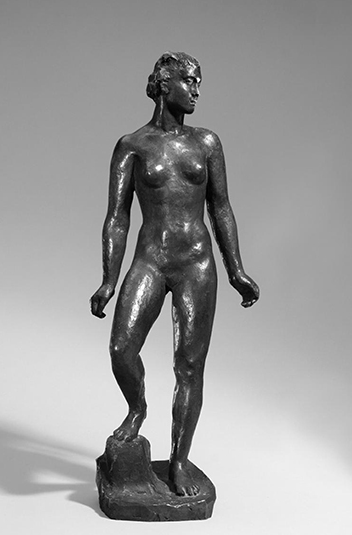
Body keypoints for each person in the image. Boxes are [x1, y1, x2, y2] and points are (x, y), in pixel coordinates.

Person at [91, 51, 259, 497]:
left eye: (199, 81)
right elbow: (117, 217)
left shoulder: (207, 143)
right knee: (122, 346)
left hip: (196, 264)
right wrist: (109, 279)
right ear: (165, 84)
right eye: (190, 81)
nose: (197, 90)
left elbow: (221, 207)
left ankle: (179, 461)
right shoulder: (132, 145)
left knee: (189, 365)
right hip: (150, 259)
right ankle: (137, 408)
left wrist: (236, 269)